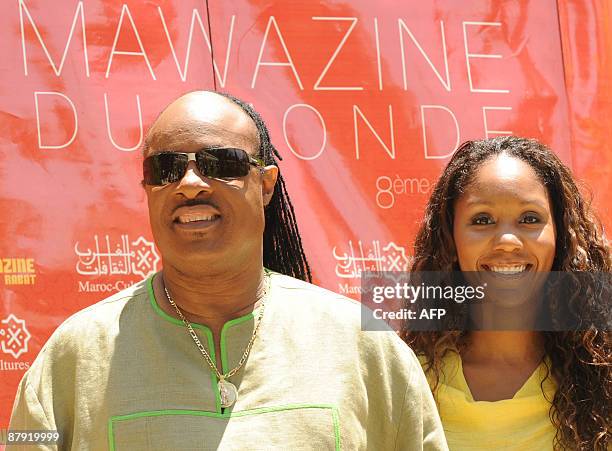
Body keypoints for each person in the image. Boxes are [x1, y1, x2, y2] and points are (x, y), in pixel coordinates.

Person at [9, 90, 448, 450]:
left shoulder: (361, 345)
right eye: (165, 169)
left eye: (220, 164)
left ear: (266, 185)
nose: (190, 183)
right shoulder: (75, 354)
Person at [401, 136, 611, 450]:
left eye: (530, 219)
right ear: (450, 239)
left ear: (561, 236)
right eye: (482, 220)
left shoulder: (602, 379)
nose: (508, 240)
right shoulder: (407, 379)